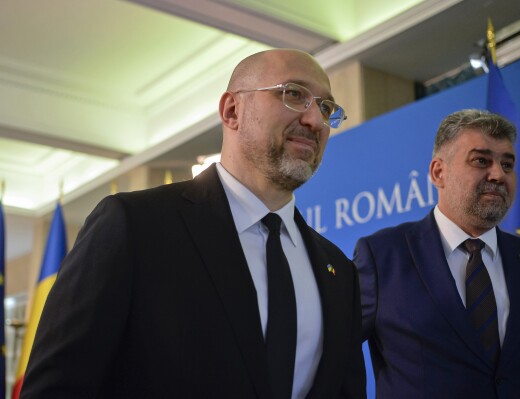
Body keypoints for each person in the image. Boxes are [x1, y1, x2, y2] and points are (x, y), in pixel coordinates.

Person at [20, 49, 365, 399]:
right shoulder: (134, 226)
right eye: (294, 94)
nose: (315, 121)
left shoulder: (338, 271)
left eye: (326, 108)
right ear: (232, 111)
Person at [354, 109, 520, 398]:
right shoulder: (383, 257)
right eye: (481, 160)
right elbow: (334, 360)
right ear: (438, 172)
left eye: (508, 164)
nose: (498, 174)